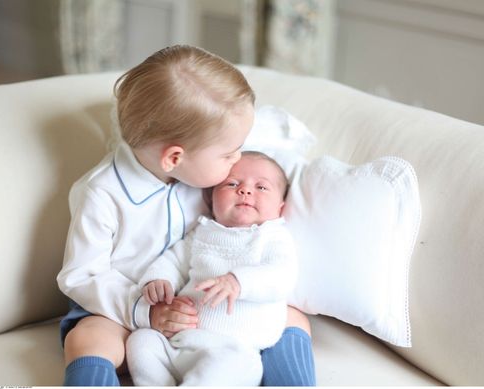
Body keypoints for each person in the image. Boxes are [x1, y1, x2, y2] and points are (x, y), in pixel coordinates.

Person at [57, 45, 315, 386]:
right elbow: (80, 276)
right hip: (125, 310)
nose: (237, 159)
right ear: (174, 158)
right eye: (229, 154)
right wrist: (146, 311)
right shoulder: (102, 194)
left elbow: (256, 141)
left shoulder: (206, 170)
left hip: (210, 309)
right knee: (88, 337)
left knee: (293, 318)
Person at [127, 151, 297, 386]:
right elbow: (173, 261)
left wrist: (238, 282)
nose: (245, 191)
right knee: (141, 341)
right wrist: (158, 280)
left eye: (261, 187)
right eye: (232, 183)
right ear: (211, 198)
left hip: (233, 348)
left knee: (243, 365)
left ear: (280, 207)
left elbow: (283, 276)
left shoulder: (273, 237)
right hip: (179, 341)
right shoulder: (203, 232)